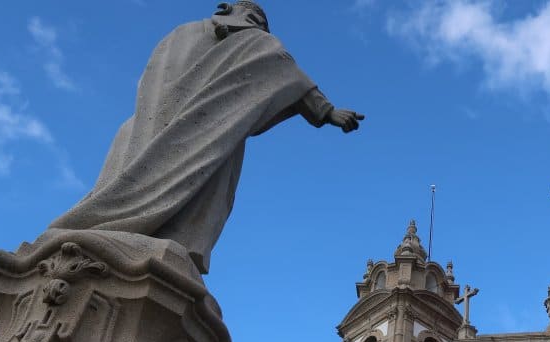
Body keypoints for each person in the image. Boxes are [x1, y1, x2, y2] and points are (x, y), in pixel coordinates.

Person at [49, 1, 363, 273]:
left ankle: (101, 225)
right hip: (201, 132)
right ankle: (133, 231)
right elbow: (284, 68)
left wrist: (325, 112)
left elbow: (283, 70)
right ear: (233, 12)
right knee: (189, 175)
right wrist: (327, 111)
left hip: (154, 125)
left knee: (147, 176)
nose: (259, 28)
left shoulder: (183, 34)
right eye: (256, 20)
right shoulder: (247, 40)